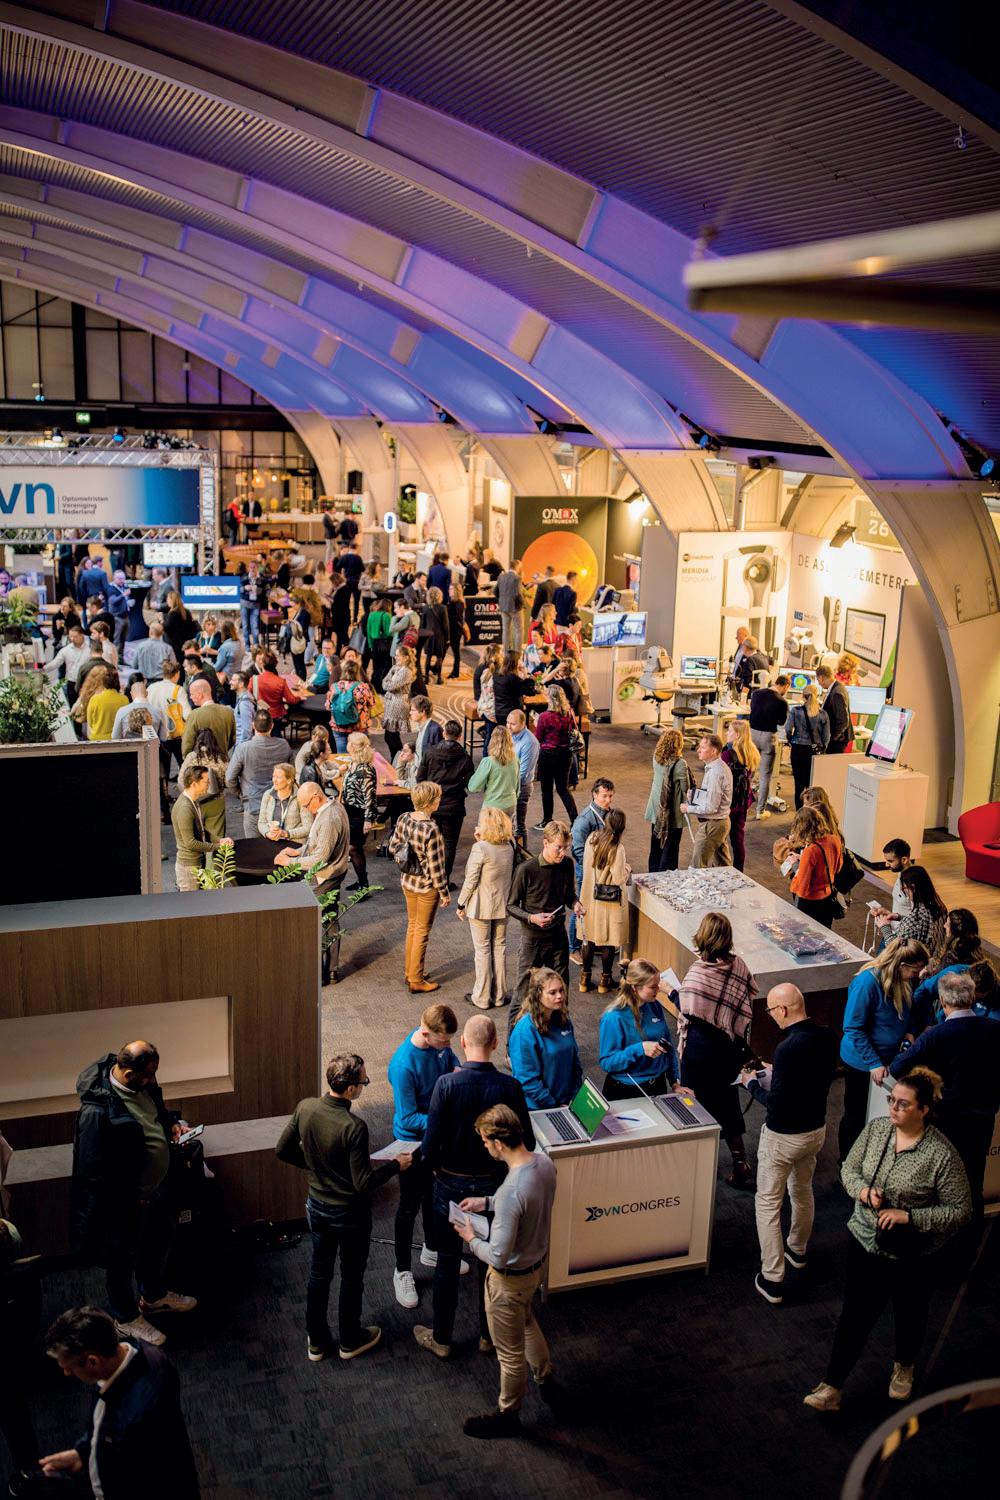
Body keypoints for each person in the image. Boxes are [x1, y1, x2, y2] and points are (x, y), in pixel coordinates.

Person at [803, 1067, 971, 1412]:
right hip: (865, 1240)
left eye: (903, 1104)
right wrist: (864, 1192)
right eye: (892, 1100)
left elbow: (960, 1210)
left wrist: (910, 1217)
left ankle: (904, 1367)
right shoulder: (876, 1130)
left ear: (924, 1110)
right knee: (854, 1316)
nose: (893, 1108)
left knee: (910, 1313)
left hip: (914, 1254)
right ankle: (832, 1386)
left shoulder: (941, 1154)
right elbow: (849, 1168)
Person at [276, 1053, 413, 1363]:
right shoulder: (354, 1126)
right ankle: (350, 1339)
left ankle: (316, 1341)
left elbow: (282, 1149)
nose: (364, 1085)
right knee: (351, 1275)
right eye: (363, 1082)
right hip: (350, 1214)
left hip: (317, 1206)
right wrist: (396, 1165)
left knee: (319, 1273)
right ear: (351, 1088)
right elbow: (363, 1183)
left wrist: (314, 1166)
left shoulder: (306, 1107)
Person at [415, 1015, 535, 1360]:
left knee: (447, 1262)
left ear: (463, 1043)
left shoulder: (446, 1086)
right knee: (490, 1263)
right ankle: (488, 1336)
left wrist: (435, 1170)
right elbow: (526, 1140)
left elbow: (429, 1145)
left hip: (449, 1187)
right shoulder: (510, 1087)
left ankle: (441, 1338)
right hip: (493, 1190)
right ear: (495, 1043)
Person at [70, 1041, 198, 1347]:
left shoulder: (144, 1084)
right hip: (125, 1204)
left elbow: (156, 1114)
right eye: (147, 1075)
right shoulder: (96, 1112)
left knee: (160, 1240)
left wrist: (171, 1125)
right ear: (128, 1074)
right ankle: (125, 1318)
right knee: (122, 1260)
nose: (153, 1080)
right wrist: (128, 1200)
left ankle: (153, 1296)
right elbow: (93, 1172)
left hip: (155, 1189)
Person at [453, 1103, 560, 1438]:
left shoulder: (512, 1191)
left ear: (498, 1143)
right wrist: (487, 1202)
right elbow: (526, 1205)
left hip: (508, 1282)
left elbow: (498, 1256)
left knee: (510, 1356)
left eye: (486, 1142)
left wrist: (470, 1238)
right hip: (536, 1268)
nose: (485, 1147)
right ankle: (547, 1382)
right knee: (527, 1322)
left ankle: (508, 1414)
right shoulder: (544, 1164)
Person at [742, 984, 839, 1304]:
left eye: (771, 1010)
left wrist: (751, 1084)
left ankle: (772, 1278)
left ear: (782, 1010)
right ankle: (797, 1249)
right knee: (802, 1190)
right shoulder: (827, 1036)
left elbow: (777, 1103)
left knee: (768, 1203)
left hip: (783, 1136)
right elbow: (810, 1077)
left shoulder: (787, 1048)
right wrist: (775, 1071)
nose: (771, 1016)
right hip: (815, 1130)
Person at [39, 1305, 200, 1498]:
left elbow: (133, 1482)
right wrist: (83, 1453)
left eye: (69, 1367)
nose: (66, 1373)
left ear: (92, 1361)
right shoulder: (143, 1354)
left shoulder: (136, 1418)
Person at [889, 970, 1000, 1224]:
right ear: (972, 997)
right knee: (973, 1179)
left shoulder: (936, 1035)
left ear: (943, 1001)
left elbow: (897, 1067)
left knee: (938, 1180)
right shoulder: (995, 1029)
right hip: (983, 1119)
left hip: (946, 1120)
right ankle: (970, 1232)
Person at [387, 1005, 460, 1309]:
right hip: (410, 1144)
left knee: (432, 1196)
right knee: (408, 1207)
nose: (448, 1045)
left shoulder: (440, 1047)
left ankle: (431, 1249)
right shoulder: (403, 1065)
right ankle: (402, 1270)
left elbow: (451, 1061)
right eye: (443, 1041)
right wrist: (446, 1120)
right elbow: (407, 1119)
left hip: (435, 1137)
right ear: (426, 1033)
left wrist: (459, 1072)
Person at [677, 912, 756, 1185]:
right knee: (728, 1103)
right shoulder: (739, 966)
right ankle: (741, 1163)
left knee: (692, 1103)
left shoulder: (697, 972)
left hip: (699, 1050)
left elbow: (688, 1009)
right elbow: (744, 1001)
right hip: (728, 1049)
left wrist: (671, 991)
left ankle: (692, 1169)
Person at [839, 937, 931, 1162]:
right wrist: (873, 1062)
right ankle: (846, 1163)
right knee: (856, 1115)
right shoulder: (867, 983)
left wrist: (909, 1032)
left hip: (889, 1060)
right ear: (901, 965)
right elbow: (853, 1027)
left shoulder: (904, 981)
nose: (917, 975)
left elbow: (908, 1012)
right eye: (914, 970)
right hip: (861, 1063)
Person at [506, 820, 582, 1038]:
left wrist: (575, 903)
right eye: (559, 847)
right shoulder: (526, 869)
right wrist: (532, 917)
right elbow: (511, 905)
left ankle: (558, 1037)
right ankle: (511, 1045)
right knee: (522, 993)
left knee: (560, 990)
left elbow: (568, 895)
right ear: (545, 842)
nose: (563, 853)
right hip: (533, 940)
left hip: (558, 936)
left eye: (566, 847)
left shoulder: (567, 865)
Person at [389, 781, 451, 992]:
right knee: (422, 931)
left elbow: (393, 847)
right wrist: (444, 892)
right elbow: (437, 867)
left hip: (407, 881)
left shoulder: (403, 818)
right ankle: (416, 979)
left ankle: (410, 972)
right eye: (437, 797)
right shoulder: (431, 829)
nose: (439, 800)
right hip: (426, 886)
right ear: (430, 802)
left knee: (412, 926)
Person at [599, 957, 684, 1100]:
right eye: (653, 987)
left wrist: (675, 1082)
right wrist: (640, 1049)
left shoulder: (654, 1005)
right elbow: (607, 1063)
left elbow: (667, 1046)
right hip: (626, 1091)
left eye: (658, 985)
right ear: (635, 987)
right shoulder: (613, 1017)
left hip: (657, 1086)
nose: (658, 990)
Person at [457, 806, 516, 1009]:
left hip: (481, 906)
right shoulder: (510, 846)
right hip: (503, 904)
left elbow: (470, 878)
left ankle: (482, 997)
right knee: (499, 948)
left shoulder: (480, 848)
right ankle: (499, 995)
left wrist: (461, 903)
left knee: (482, 951)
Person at [509, 968, 583, 1108]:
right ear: (538, 995)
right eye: (552, 992)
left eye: (561, 990)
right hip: (537, 1108)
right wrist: (554, 1105)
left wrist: (575, 1097)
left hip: (567, 1104)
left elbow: (575, 1063)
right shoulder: (524, 1031)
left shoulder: (563, 1020)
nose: (560, 996)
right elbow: (527, 1080)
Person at [578, 808, 630, 994]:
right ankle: (604, 981)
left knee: (588, 939)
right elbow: (618, 878)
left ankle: (584, 979)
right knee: (608, 941)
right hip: (608, 902)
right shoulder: (617, 848)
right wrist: (627, 869)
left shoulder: (592, 839)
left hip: (589, 897)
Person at [419, 718, 475, 880]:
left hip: (432, 805)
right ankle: (444, 880)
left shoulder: (430, 752)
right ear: (460, 736)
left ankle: (429, 877)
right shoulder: (465, 757)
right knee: (449, 844)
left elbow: (420, 777)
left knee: (431, 842)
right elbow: (470, 783)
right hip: (454, 807)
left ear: (444, 733)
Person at [568, 776, 615, 960]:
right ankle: (573, 948)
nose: (608, 800)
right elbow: (577, 850)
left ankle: (592, 943)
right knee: (581, 907)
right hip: (587, 871)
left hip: (603, 870)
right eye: (604, 796)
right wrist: (594, 866)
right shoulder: (584, 820)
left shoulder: (609, 813)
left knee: (598, 906)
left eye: (610, 796)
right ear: (594, 795)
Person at [274, 784, 351, 895]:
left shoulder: (328, 820)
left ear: (316, 797)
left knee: (317, 905)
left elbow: (319, 860)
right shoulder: (334, 805)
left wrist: (288, 862)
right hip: (336, 870)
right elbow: (319, 841)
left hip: (327, 876)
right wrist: (298, 851)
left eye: (306, 805)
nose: (306, 809)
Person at [224, 707, 287, 835]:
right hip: (278, 804)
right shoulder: (283, 745)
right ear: (272, 726)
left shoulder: (243, 749)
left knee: (253, 844)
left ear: (253, 725)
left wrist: (240, 793)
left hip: (253, 804)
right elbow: (291, 773)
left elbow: (229, 778)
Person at [172, 764, 231, 887]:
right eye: (206, 782)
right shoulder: (185, 808)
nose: (209, 784)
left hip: (196, 862)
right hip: (189, 868)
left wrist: (219, 840)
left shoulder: (194, 801)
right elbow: (190, 843)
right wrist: (217, 846)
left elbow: (200, 831)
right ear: (194, 784)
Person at [681, 733, 733, 868]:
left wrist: (688, 808)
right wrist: (695, 797)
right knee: (723, 867)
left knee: (697, 868)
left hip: (713, 825)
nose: (698, 750)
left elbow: (711, 807)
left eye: (703, 747)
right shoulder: (718, 767)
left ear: (714, 751)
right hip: (719, 823)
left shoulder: (715, 773)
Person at [787, 806, 844, 929]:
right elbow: (837, 867)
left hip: (809, 903)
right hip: (827, 899)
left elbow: (802, 888)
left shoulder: (810, 851)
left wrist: (796, 866)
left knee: (803, 935)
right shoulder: (835, 840)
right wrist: (803, 860)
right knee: (824, 935)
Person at [532, 685, 579, 827]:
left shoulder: (544, 717)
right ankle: (575, 820)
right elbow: (575, 730)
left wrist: (536, 723)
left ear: (550, 698)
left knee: (546, 790)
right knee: (563, 789)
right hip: (565, 755)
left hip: (548, 756)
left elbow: (538, 738)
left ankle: (547, 820)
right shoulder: (569, 713)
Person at [875, 864, 948, 954]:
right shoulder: (937, 905)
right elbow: (919, 926)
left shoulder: (918, 915)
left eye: (904, 889)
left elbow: (897, 949)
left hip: (912, 959)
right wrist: (899, 917)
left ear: (913, 888)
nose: (905, 893)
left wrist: (885, 927)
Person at [646, 727, 690, 872]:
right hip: (671, 809)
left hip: (657, 805)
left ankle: (653, 871)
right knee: (671, 845)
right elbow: (685, 788)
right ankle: (667, 874)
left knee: (656, 841)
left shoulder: (656, 756)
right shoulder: (680, 763)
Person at [748, 673, 789, 819]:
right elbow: (781, 722)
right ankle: (760, 811)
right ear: (786, 686)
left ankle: (743, 804)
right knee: (765, 775)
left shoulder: (756, 694)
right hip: (767, 737)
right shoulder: (782, 702)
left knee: (749, 771)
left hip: (752, 734)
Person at [720, 718, 758, 870]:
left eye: (729, 731)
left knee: (719, 839)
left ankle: (721, 870)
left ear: (737, 735)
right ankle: (739, 871)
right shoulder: (752, 753)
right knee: (738, 840)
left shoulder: (727, 755)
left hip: (728, 802)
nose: (726, 733)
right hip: (743, 802)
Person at [341, 730, 377, 889]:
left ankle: (363, 883)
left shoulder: (366, 770)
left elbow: (370, 797)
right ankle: (362, 881)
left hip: (360, 814)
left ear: (355, 747)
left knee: (354, 848)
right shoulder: (352, 764)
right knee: (353, 848)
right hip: (349, 811)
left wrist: (368, 820)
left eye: (350, 742)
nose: (347, 744)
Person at [786, 684, 830, 808]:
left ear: (803, 696)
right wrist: (822, 748)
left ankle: (800, 812)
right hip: (814, 751)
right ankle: (812, 810)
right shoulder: (823, 714)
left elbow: (788, 729)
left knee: (799, 783)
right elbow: (826, 736)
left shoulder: (795, 711)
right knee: (812, 783)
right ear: (817, 696)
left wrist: (791, 740)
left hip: (798, 749)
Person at [469, 724, 520, 823]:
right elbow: (517, 786)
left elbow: (473, 787)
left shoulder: (488, 762)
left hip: (493, 807)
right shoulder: (515, 759)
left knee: (487, 832)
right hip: (511, 804)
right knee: (507, 832)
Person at [257, 761, 312, 843]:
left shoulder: (301, 796)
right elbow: (261, 822)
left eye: (278, 777)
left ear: (289, 780)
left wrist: (286, 833)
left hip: (294, 843)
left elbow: (308, 827)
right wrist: (268, 833)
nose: (274, 780)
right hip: (271, 841)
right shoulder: (268, 795)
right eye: (273, 776)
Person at [181, 676, 235, 758]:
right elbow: (233, 739)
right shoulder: (228, 712)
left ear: (200, 695)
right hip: (223, 761)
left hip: (201, 763)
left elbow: (187, 745)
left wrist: (188, 759)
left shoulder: (194, 715)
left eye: (191, 694)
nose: (190, 697)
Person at [327, 657, 374, 750]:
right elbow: (371, 703)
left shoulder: (334, 687)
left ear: (343, 672)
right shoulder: (363, 687)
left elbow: (328, 706)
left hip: (339, 726)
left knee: (342, 755)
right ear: (357, 672)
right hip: (358, 726)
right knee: (359, 754)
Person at [507, 708, 539, 846]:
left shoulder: (529, 742)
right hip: (511, 785)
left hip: (521, 787)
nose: (508, 726)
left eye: (513, 724)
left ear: (522, 724)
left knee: (518, 826)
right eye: (507, 722)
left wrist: (507, 786)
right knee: (509, 824)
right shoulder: (511, 735)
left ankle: (522, 853)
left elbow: (523, 772)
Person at [380, 644, 416, 761]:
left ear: (406, 658)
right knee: (391, 736)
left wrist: (388, 681)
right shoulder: (396, 668)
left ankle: (398, 759)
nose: (395, 657)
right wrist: (388, 679)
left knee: (390, 737)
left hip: (399, 704)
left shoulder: (406, 672)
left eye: (398, 655)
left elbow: (389, 686)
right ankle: (398, 759)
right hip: (392, 703)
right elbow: (384, 682)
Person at [44, 622, 90, 704]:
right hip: (71, 683)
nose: (72, 639)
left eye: (75, 636)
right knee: (72, 706)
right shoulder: (66, 650)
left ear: (82, 635)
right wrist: (42, 670)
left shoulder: (90, 650)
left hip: (86, 683)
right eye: (70, 636)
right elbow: (55, 663)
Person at [418, 586, 449, 685]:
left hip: (428, 635)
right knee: (439, 657)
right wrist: (447, 637)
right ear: (439, 596)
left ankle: (426, 678)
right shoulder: (443, 608)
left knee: (428, 657)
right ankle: (439, 678)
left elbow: (422, 624)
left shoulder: (425, 608)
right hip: (439, 636)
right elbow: (445, 625)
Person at [816, 663, 851, 754]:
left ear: (821, 678)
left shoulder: (837, 693)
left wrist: (831, 739)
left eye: (818, 680)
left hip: (836, 742)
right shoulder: (836, 688)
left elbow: (843, 721)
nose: (818, 683)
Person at [296, 724, 340, 793]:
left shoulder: (313, 746)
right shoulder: (311, 749)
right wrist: (339, 771)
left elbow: (324, 763)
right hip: (305, 784)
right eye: (324, 740)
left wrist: (336, 766)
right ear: (314, 737)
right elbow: (323, 774)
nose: (326, 742)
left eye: (327, 739)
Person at [497, 558, 525, 652]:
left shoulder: (501, 576)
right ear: (517, 567)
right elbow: (518, 594)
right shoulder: (517, 578)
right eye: (520, 567)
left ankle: (506, 652)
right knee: (518, 630)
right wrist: (522, 605)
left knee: (506, 630)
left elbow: (495, 591)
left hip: (503, 607)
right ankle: (517, 652)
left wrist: (502, 600)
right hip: (515, 608)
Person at [163, 591, 199, 663]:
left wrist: (161, 621)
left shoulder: (172, 613)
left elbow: (166, 629)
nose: (167, 601)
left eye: (168, 599)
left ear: (172, 600)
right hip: (185, 644)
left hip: (174, 645)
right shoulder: (186, 611)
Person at [409, 693, 441, 762]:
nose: (410, 713)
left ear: (423, 712)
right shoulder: (421, 727)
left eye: (413, 710)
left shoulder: (435, 729)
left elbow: (438, 758)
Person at [446, 580, 467, 678]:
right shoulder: (452, 601)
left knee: (455, 652)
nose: (449, 591)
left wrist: (446, 614)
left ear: (456, 591)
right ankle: (437, 667)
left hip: (455, 631)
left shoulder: (459, 603)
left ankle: (455, 672)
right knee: (444, 650)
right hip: (451, 630)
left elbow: (457, 618)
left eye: (451, 589)